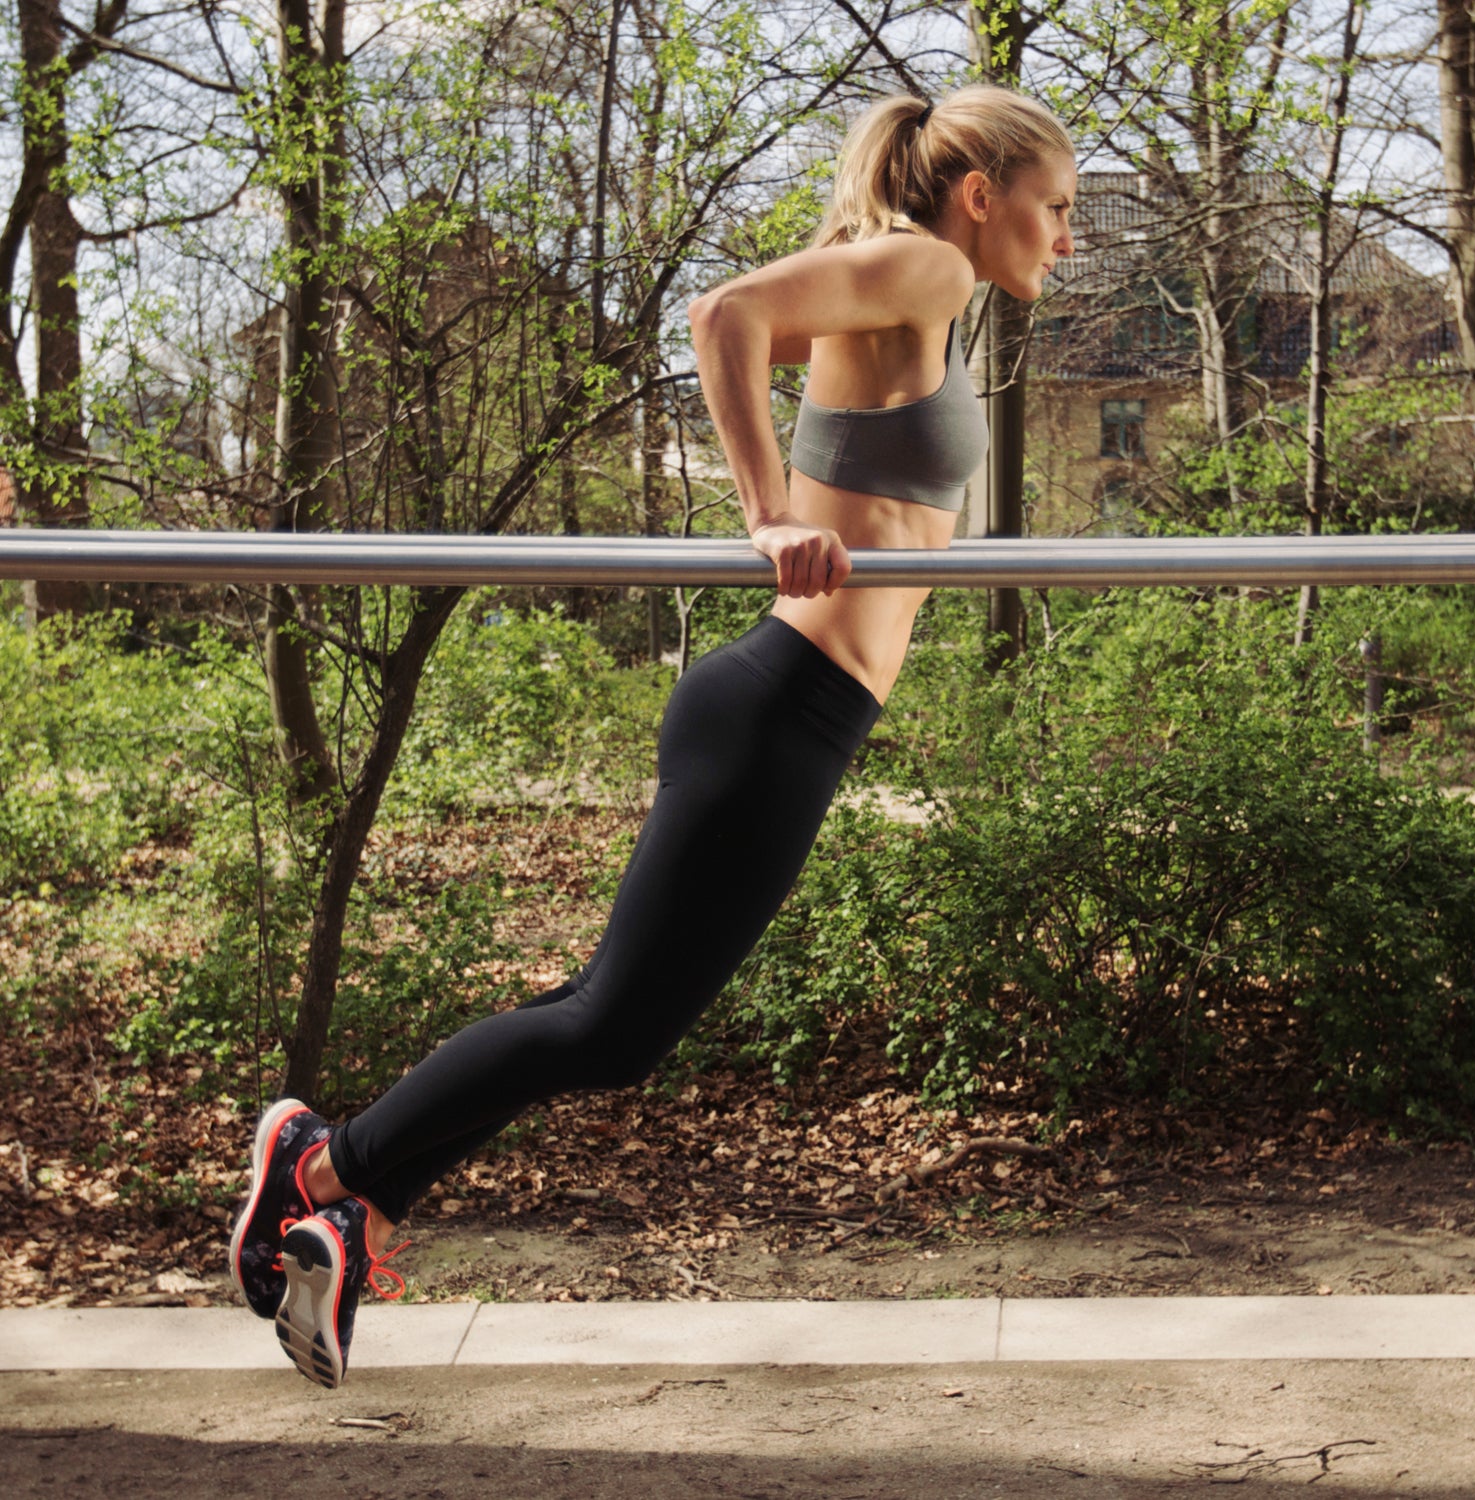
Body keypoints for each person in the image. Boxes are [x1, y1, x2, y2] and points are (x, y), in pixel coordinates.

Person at [229, 83, 1076, 1389]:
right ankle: (318, 1164)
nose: (1064, 239)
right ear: (983, 195)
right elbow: (726, 314)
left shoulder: (933, 305)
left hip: (808, 720)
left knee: (607, 1022)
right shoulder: (927, 266)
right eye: (1057, 208)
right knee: (609, 1033)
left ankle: (356, 1218)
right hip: (778, 704)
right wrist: (760, 512)